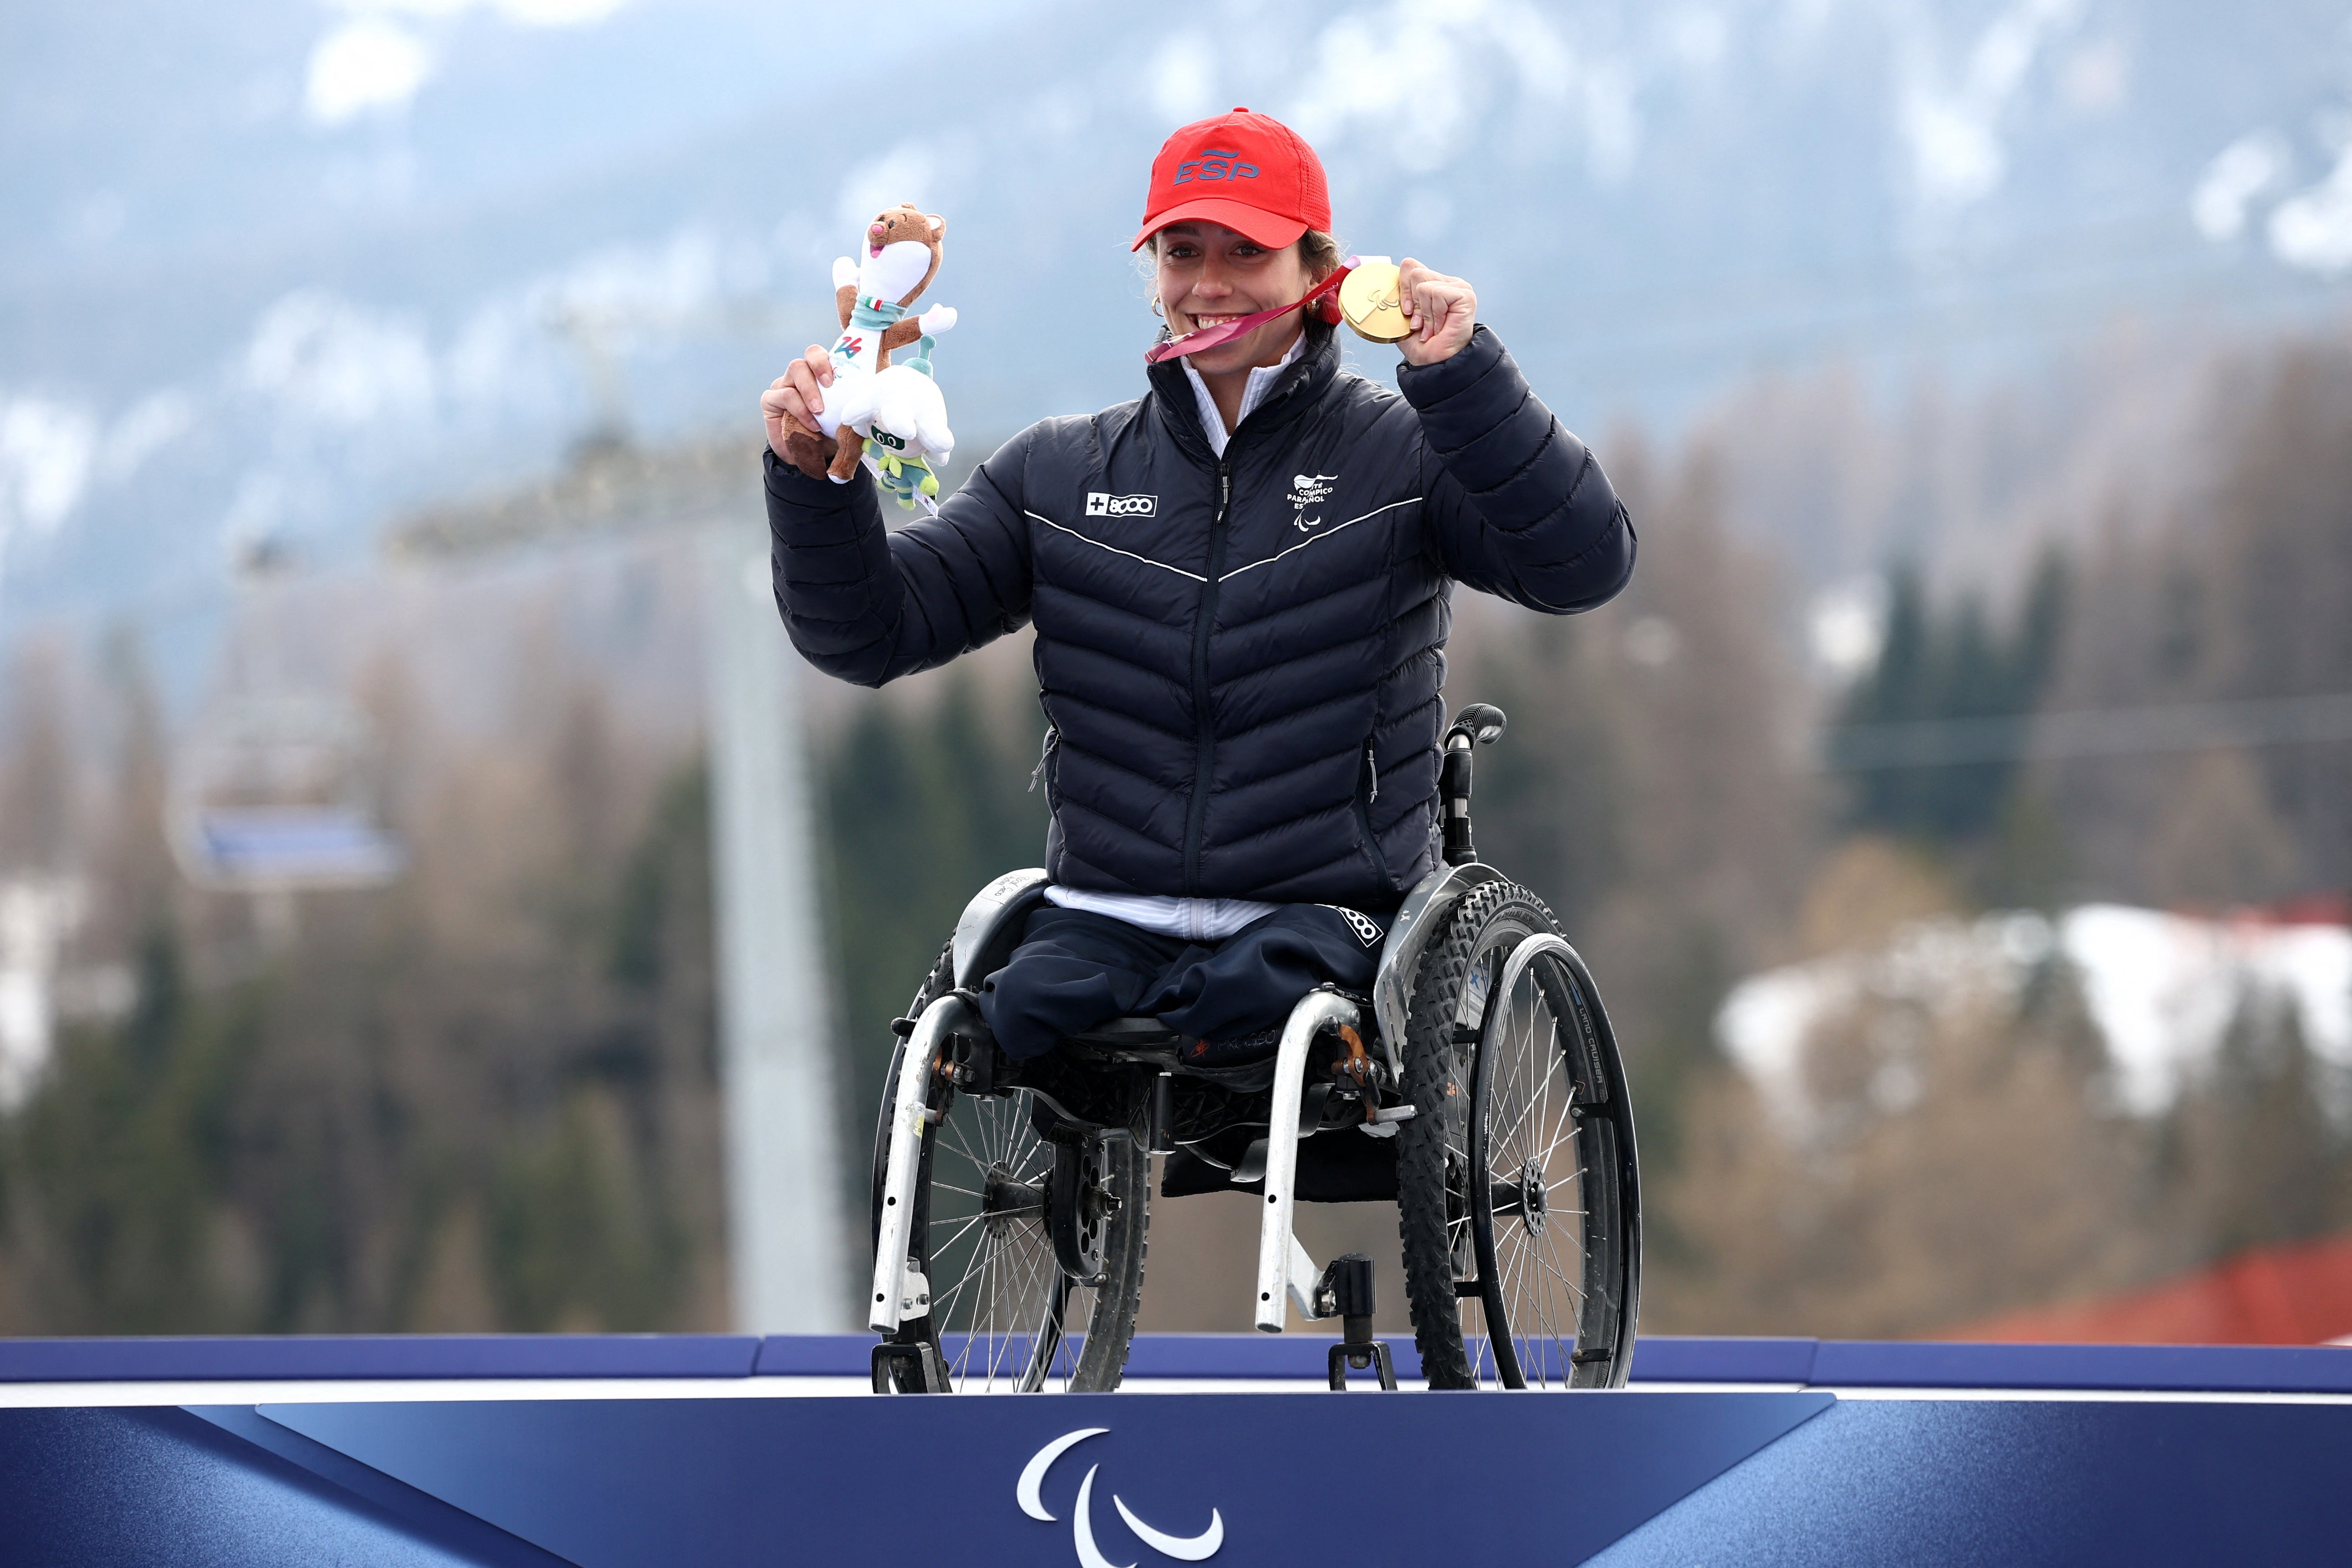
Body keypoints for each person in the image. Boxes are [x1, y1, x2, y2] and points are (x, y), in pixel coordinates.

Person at [760, 107, 1633, 1074]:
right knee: (999, 1018)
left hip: (1322, 920)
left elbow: (1582, 563)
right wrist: (814, 484)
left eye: (1245, 251)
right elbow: (867, 634)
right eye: (1181, 252)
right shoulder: (1055, 474)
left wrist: (1462, 380)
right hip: (1100, 921)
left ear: (1317, 275)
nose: (1208, 283)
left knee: (1253, 1003)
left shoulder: (1406, 455)